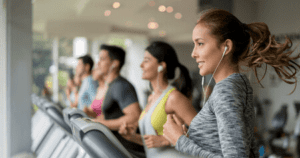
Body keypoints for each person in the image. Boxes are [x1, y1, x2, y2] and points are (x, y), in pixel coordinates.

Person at [162, 8, 300, 158]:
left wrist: (180, 141)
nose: (193, 53)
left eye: (200, 44)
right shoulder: (235, 84)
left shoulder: (226, 89)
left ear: (226, 47)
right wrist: (188, 138)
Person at [118, 41, 198, 158]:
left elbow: (204, 133)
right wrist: (133, 137)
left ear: (161, 65)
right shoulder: (151, 97)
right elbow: (154, 143)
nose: (141, 65)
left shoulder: (174, 97)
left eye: (146, 60)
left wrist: (167, 140)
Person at [92, 44, 145, 157]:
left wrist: (103, 124)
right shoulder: (111, 85)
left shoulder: (120, 86)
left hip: (129, 150)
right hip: (116, 147)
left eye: (102, 59)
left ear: (114, 64)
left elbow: (135, 117)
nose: (98, 63)